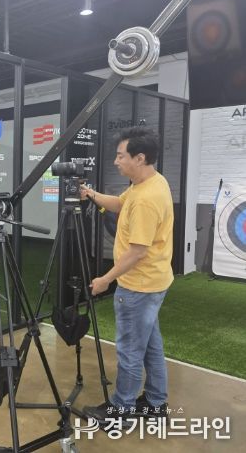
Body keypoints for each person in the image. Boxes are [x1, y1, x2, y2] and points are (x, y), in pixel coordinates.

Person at [82, 127, 173, 422]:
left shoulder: (147, 198)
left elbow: (137, 252)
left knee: (131, 351)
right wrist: (92, 194)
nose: (116, 161)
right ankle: (156, 403)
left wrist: (105, 280)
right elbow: (121, 204)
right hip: (154, 282)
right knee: (150, 346)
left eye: (121, 156)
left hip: (138, 286)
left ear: (140, 158)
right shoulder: (148, 182)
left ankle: (121, 410)